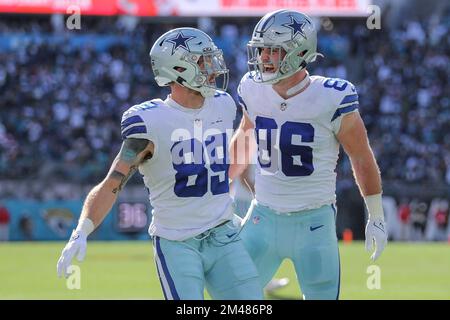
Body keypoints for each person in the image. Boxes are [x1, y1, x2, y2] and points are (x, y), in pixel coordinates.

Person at [57, 27, 263, 300]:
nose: (213, 67)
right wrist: (81, 231)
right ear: (178, 68)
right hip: (177, 243)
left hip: (224, 235)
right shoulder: (149, 122)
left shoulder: (223, 104)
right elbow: (113, 182)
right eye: (202, 60)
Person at [229, 9, 388, 300]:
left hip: (313, 224)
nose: (263, 57)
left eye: (273, 51)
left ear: (298, 51)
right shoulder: (251, 88)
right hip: (261, 218)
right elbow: (245, 134)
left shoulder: (332, 97)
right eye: (261, 50)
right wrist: (219, 186)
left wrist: (376, 214)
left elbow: (361, 156)